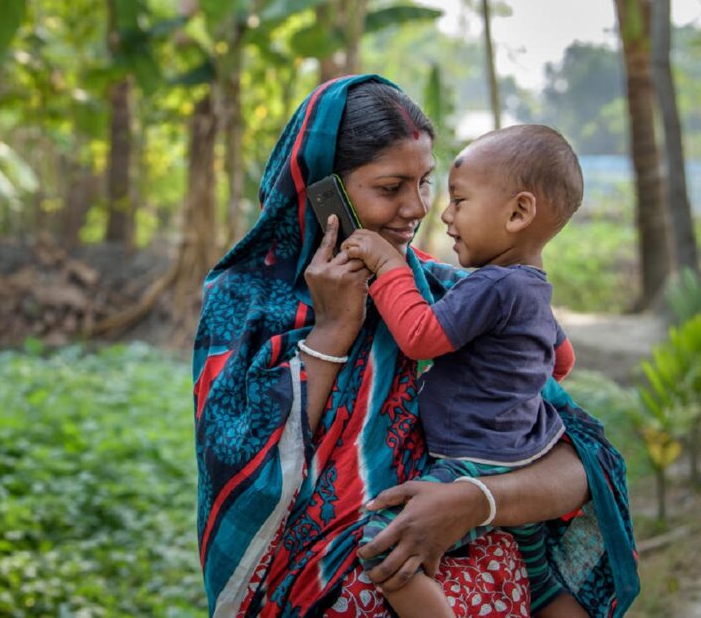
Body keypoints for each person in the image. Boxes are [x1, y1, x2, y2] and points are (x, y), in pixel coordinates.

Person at [193, 75, 638, 618]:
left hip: (449, 559)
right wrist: (334, 330)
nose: (419, 208)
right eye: (390, 188)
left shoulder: (434, 291)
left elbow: (576, 457)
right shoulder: (245, 302)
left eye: (425, 182)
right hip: (310, 588)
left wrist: (472, 502)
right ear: (321, 189)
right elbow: (240, 470)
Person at [341, 125, 590, 618]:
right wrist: (507, 388)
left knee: (385, 545)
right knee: (539, 579)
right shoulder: (533, 286)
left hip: (474, 455)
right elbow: (562, 361)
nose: (446, 215)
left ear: (518, 213)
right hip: (522, 453)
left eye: (459, 200)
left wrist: (387, 265)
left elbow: (419, 336)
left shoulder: (492, 286)